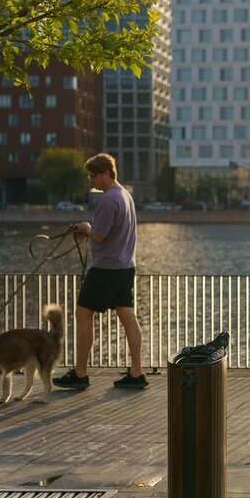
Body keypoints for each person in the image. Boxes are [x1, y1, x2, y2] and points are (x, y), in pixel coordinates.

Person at [53, 152, 145, 391]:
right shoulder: (126, 195)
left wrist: (86, 227)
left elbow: (100, 235)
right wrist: (92, 230)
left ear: (106, 173)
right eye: (89, 176)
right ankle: (137, 372)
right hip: (125, 266)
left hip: (106, 269)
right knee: (128, 317)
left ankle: (81, 373)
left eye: (93, 175)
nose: (91, 180)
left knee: (83, 313)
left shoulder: (108, 199)